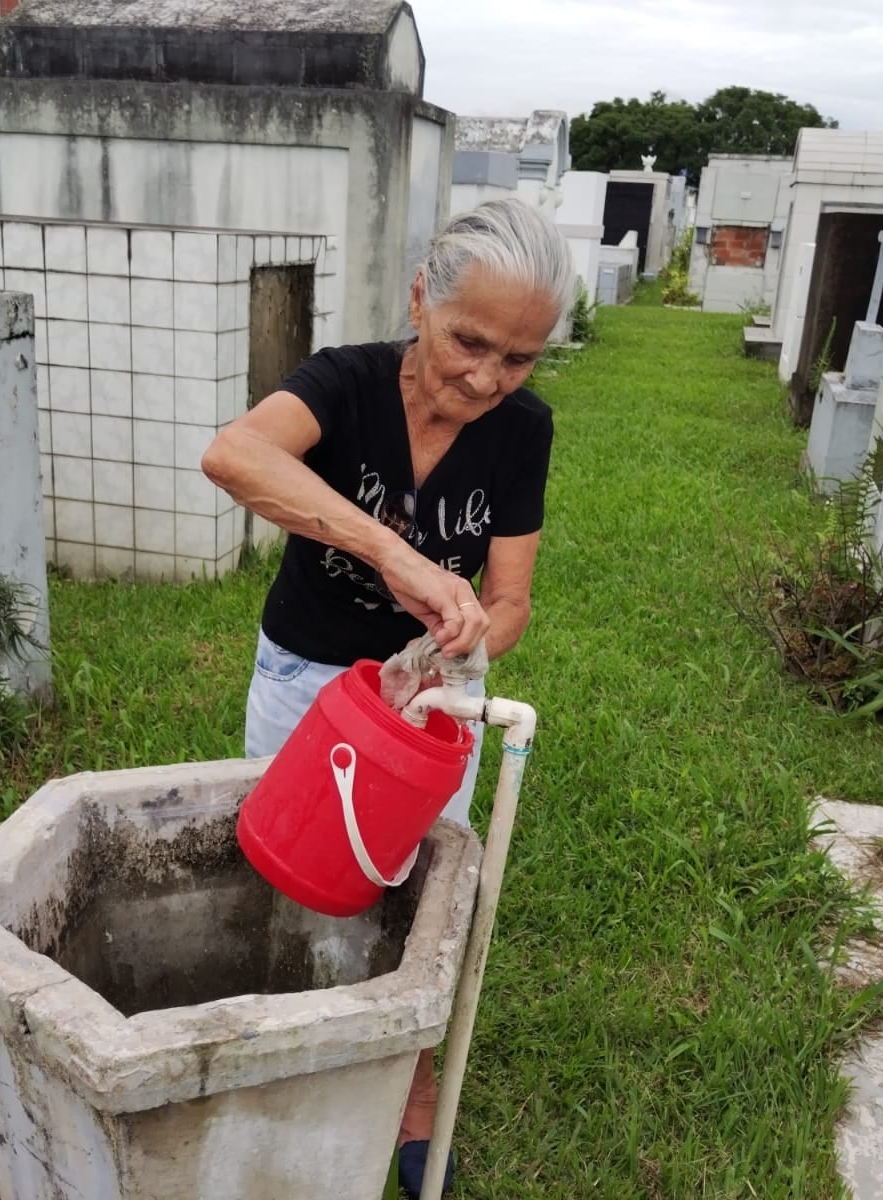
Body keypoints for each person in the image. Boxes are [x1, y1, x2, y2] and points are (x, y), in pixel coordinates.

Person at [200, 198, 571, 1197]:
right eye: (468, 341)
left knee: (417, 891)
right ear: (421, 298)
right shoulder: (346, 382)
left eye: (519, 359)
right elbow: (234, 455)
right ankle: (283, 1062)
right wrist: (393, 556)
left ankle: (407, 1093)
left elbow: (510, 601)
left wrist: (462, 639)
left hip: (433, 703)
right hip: (310, 677)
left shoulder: (519, 432)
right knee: (292, 864)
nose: (486, 378)